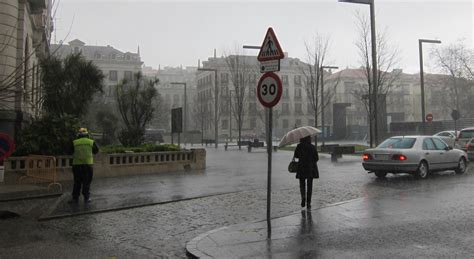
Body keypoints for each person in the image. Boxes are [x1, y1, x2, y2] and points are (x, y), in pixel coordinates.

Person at [68, 128, 99, 204]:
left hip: (77, 165)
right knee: (86, 182)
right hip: (87, 165)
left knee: (77, 182)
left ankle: (75, 198)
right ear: (87, 134)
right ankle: (86, 197)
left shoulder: (75, 142)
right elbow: (96, 151)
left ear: (79, 135)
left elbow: (69, 151)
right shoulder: (91, 142)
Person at [294, 135, 319, 209]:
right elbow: (316, 158)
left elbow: (296, 156)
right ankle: (308, 202)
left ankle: (303, 197)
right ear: (309, 138)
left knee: (302, 185)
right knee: (309, 186)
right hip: (310, 169)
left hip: (301, 168)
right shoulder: (312, 147)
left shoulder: (299, 146)